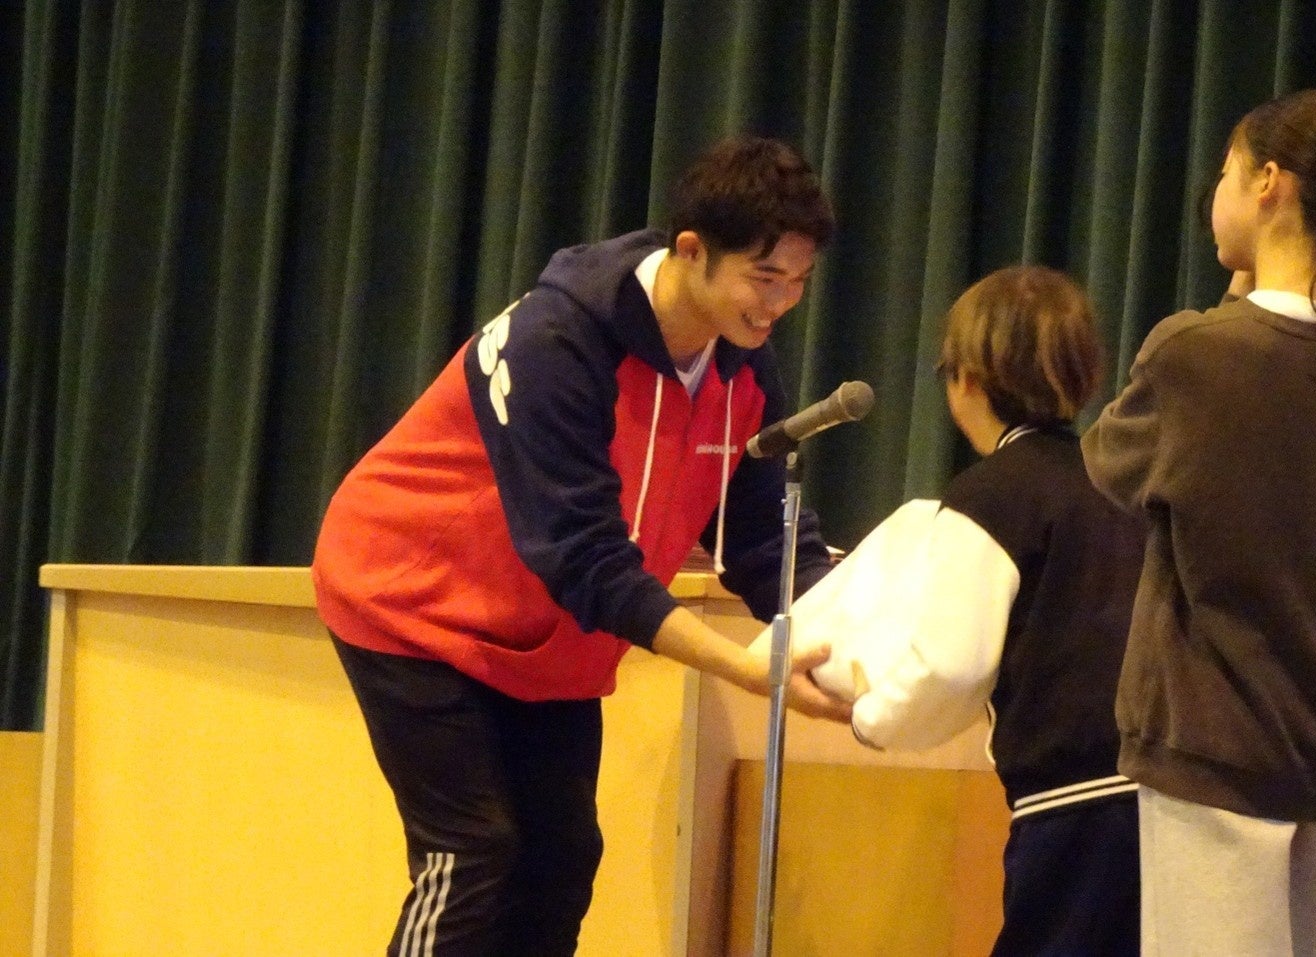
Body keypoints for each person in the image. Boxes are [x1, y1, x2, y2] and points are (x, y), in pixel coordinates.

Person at [311, 135, 853, 956]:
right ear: (692, 250)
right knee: (471, 850)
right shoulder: (556, 340)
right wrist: (744, 667)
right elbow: (582, 555)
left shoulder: (743, 367)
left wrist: (853, 623)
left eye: (798, 282)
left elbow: (761, 542)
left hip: (547, 634)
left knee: (561, 860)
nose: (778, 303)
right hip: (407, 600)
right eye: (763, 276)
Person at [1081, 89, 1316, 955]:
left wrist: (1227, 304)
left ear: (1267, 183)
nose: (1215, 194)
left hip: (1213, 758)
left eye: (1225, 173)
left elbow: (1107, 462)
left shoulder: (1194, 355)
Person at [810, 265, 1143, 954]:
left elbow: (953, 665)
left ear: (965, 379)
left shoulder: (991, 495)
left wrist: (872, 717)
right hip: (1161, 792)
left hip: (1069, 801)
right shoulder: (1120, 485)